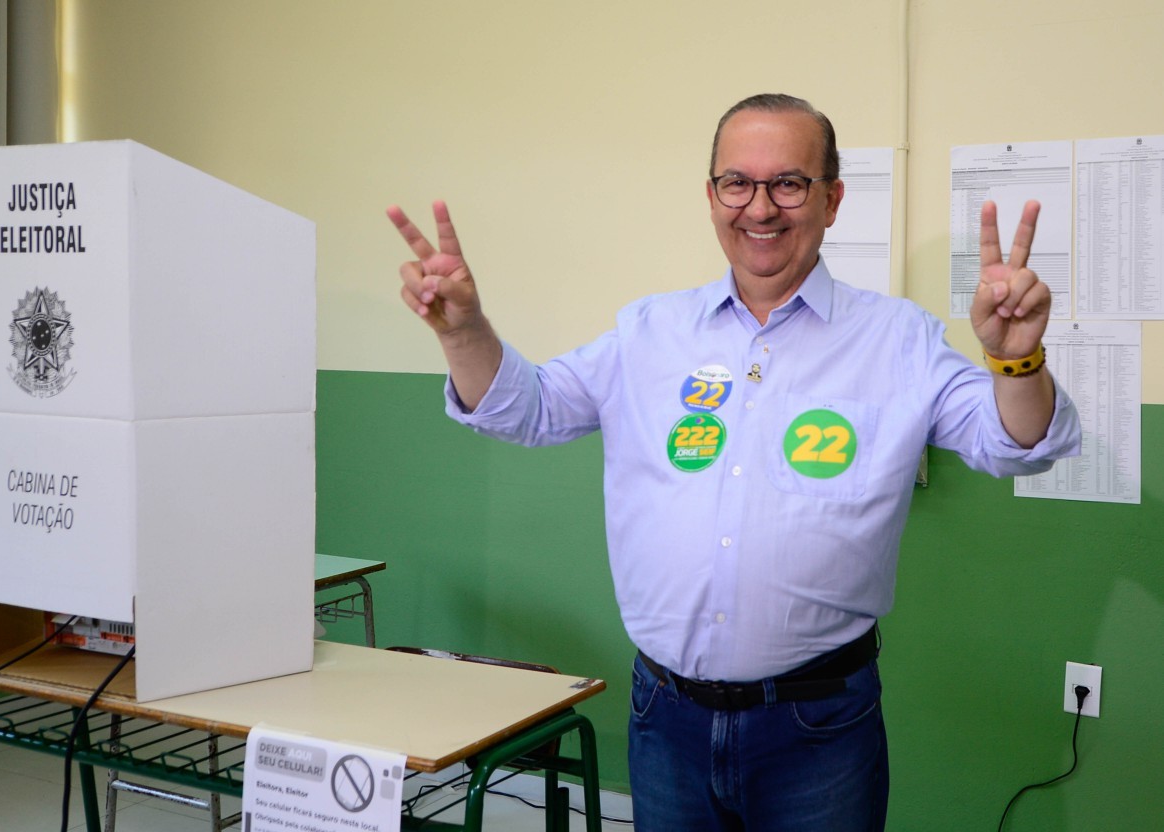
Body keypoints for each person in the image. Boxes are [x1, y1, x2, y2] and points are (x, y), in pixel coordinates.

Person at [386, 93, 1080, 831]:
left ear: (832, 199)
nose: (761, 207)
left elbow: (1015, 446)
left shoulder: (898, 340)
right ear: (712, 196)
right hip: (665, 719)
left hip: (819, 727)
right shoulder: (648, 332)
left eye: (789, 182)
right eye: (736, 183)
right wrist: (464, 331)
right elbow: (526, 409)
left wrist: (1018, 361)